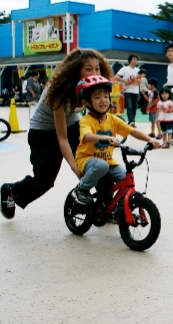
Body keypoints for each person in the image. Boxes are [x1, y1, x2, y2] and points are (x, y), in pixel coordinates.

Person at [1, 48, 112, 220]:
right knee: (44, 181)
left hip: (73, 125)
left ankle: (106, 207)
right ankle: (10, 190)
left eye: (97, 68)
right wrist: (75, 166)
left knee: (99, 162)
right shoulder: (60, 90)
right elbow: (62, 138)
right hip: (44, 133)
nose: (94, 72)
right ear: (76, 70)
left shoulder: (95, 87)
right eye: (88, 69)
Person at [71, 76, 160, 204]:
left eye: (106, 96)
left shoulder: (112, 119)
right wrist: (105, 138)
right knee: (102, 165)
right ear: (86, 102)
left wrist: (150, 140)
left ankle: (115, 208)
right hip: (87, 159)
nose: (103, 101)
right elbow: (87, 137)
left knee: (125, 179)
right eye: (97, 97)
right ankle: (81, 189)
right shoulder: (86, 120)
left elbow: (132, 131)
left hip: (108, 161)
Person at [113, 54, 140, 127]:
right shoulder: (124, 69)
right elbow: (116, 77)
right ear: (130, 60)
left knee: (134, 107)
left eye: (136, 60)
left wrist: (135, 81)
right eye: (134, 59)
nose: (135, 61)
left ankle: (132, 122)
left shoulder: (138, 70)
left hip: (136, 91)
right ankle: (131, 121)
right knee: (129, 106)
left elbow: (140, 81)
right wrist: (125, 81)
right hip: (127, 90)